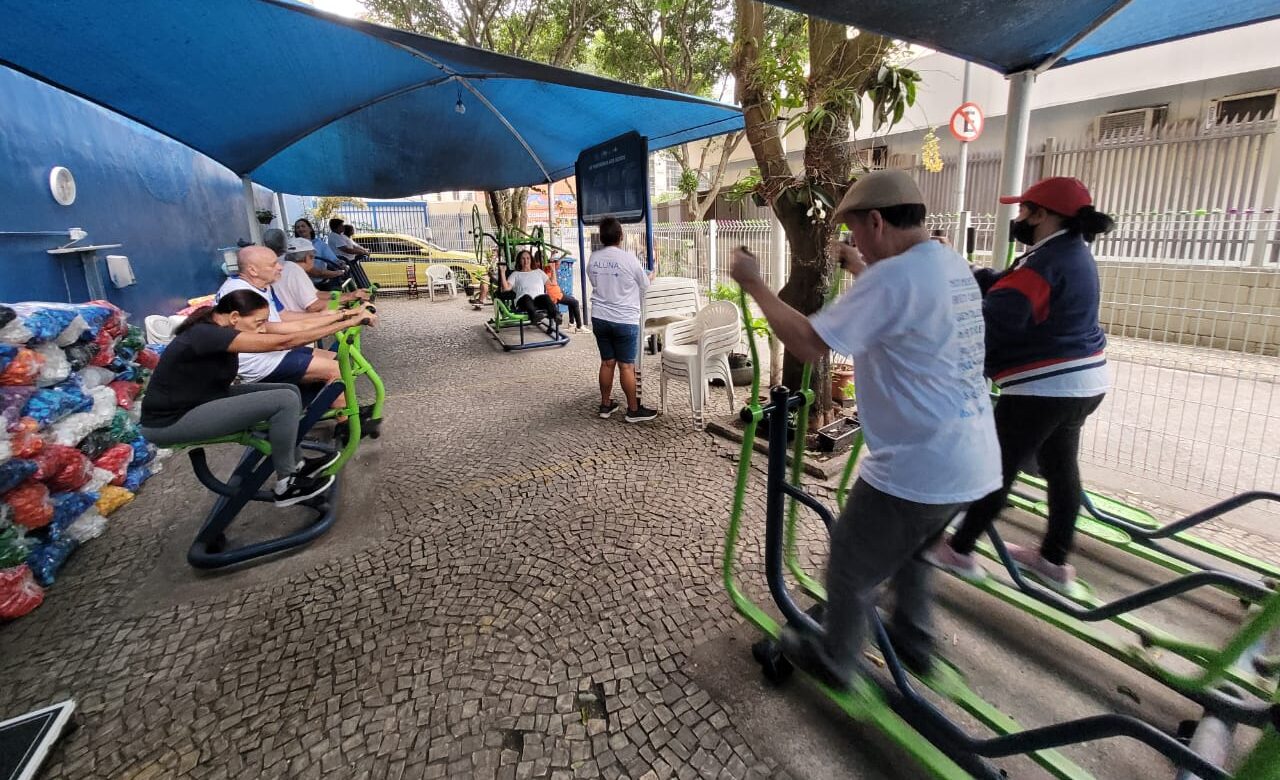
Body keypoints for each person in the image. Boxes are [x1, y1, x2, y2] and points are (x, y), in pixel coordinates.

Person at [729, 170, 1000, 684]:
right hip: (973, 460)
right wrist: (861, 270)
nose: (856, 245)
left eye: (856, 233)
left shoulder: (891, 278)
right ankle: (914, 640)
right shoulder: (947, 262)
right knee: (912, 551)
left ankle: (836, 658)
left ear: (877, 220)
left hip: (919, 465)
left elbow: (810, 344)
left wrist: (755, 284)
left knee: (852, 565)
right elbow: (901, 311)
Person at [925, 177, 1113, 595]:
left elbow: (997, 319)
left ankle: (959, 549)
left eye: (1025, 211)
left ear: (1044, 214)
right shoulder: (1068, 252)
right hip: (1085, 383)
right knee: (1062, 469)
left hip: (1043, 389)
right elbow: (1005, 284)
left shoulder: (1047, 263)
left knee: (993, 467)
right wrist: (962, 269)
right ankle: (1054, 560)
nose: (1020, 218)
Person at [139, 290, 369, 506]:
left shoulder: (213, 326)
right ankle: (287, 484)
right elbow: (284, 342)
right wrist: (349, 321)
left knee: (289, 392)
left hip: (203, 399)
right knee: (283, 401)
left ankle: (296, 463)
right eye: (258, 323)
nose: (260, 329)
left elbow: (287, 334)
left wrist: (343, 316)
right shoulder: (207, 334)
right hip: (172, 421)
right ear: (235, 317)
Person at [217, 246, 370, 393]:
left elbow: (283, 316)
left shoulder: (264, 286)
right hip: (255, 360)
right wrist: (341, 317)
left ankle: (331, 406)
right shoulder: (240, 292)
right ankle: (344, 417)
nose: (280, 267)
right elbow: (271, 330)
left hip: (271, 350)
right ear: (252, 270)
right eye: (273, 264)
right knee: (336, 369)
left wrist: (325, 316)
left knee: (336, 358)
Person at [586, 218, 658, 423]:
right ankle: (633, 410)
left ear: (601, 237)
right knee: (626, 366)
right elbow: (645, 285)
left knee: (607, 362)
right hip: (625, 319)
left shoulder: (594, 258)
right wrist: (650, 278)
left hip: (600, 317)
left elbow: (594, 281)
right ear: (621, 236)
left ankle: (606, 405)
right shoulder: (629, 259)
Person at [275, 238, 369, 314]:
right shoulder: (296, 271)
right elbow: (313, 306)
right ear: (308, 257)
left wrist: (349, 295)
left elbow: (316, 294)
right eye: (313, 257)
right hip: (299, 323)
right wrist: (349, 297)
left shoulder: (286, 266)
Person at [499, 250, 559, 325]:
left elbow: (553, 284)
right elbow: (506, 288)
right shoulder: (516, 274)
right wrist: (502, 272)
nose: (526, 261)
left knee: (545, 297)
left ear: (531, 260)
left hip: (538, 301)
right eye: (523, 259)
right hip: (523, 302)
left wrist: (553, 269)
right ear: (519, 261)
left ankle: (556, 315)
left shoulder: (538, 272)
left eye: (528, 258)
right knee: (527, 297)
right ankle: (534, 316)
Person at [535, 249, 583, 332]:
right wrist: (553, 263)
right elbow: (552, 268)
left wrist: (553, 256)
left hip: (555, 292)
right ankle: (579, 327)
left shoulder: (540, 267)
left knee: (571, 300)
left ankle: (571, 324)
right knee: (575, 302)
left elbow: (552, 264)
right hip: (554, 294)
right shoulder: (543, 268)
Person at [293, 218, 347, 287]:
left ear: (310, 229)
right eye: (298, 227)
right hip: (303, 284)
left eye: (303, 226)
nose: (300, 229)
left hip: (321, 282)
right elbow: (313, 272)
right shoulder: (294, 246)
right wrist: (337, 273)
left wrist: (340, 263)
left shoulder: (320, 244)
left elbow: (332, 259)